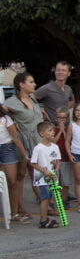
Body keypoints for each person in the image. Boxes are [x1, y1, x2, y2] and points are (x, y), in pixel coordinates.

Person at [2, 72, 45, 201]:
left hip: (38, 140)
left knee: (37, 173)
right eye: (31, 82)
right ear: (21, 84)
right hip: (23, 142)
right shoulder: (11, 102)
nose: (34, 84)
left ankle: (43, 201)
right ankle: (19, 207)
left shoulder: (32, 98)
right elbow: (3, 114)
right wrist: (12, 121)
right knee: (21, 174)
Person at [0, 111, 32, 223]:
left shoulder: (6, 119)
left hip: (7, 148)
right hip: (6, 149)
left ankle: (14, 213)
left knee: (12, 182)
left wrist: (24, 154)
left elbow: (15, 138)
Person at [29, 121, 61, 228]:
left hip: (52, 177)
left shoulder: (55, 147)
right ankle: (43, 220)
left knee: (49, 198)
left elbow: (58, 160)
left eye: (53, 130)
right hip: (42, 177)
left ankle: (45, 218)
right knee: (44, 198)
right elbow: (33, 163)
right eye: (49, 131)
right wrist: (45, 171)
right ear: (42, 133)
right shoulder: (38, 148)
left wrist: (56, 170)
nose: (53, 133)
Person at [52, 107, 74, 207]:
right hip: (54, 160)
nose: (61, 120)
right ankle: (53, 200)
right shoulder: (52, 129)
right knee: (55, 181)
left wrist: (64, 131)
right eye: (59, 117)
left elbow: (68, 141)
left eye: (64, 118)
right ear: (56, 118)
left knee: (65, 181)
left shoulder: (69, 129)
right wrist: (60, 131)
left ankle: (64, 200)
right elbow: (53, 142)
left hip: (65, 158)